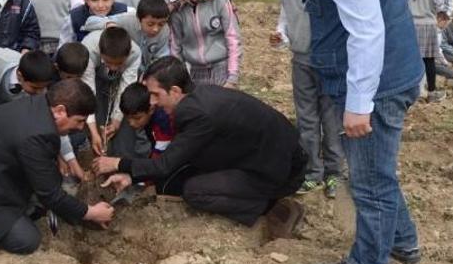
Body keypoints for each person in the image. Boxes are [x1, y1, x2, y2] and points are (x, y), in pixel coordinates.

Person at [266, 0, 425, 264]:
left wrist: (358, 104)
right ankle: (403, 243)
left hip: (378, 88)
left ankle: (368, 261)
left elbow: (366, 31)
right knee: (379, 172)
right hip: (399, 72)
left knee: (369, 185)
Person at [94, 57, 306, 236]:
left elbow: (165, 165)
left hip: (280, 173)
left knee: (195, 191)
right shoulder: (202, 97)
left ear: (175, 91)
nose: (153, 102)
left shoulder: (194, 113)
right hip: (277, 157)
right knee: (194, 169)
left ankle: (273, 207)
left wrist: (118, 163)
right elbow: (179, 157)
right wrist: (133, 176)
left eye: (156, 95)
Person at [0, 79, 115, 254]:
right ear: (60, 110)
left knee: (46, 184)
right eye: (80, 121)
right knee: (27, 239)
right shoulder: (37, 136)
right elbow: (50, 196)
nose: (81, 127)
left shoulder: (40, 105)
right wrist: (91, 213)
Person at [270, 0, 343, 198]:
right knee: (306, 119)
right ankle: (313, 173)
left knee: (331, 119)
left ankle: (335, 173)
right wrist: (280, 36)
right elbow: (285, 22)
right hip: (301, 62)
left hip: (329, 63)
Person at [169, 0, 242, 87]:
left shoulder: (219, 1)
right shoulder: (177, 11)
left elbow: (233, 39)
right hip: (196, 74)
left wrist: (232, 77)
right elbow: (175, 49)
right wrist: (182, 80)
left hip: (222, 70)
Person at [82, 27, 141, 157]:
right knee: (96, 116)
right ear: (100, 52)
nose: (114, 67)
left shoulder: (135, 53)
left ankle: (120, 158)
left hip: (120, 81)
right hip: (95, 77)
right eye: (109, 62)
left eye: (119, 63)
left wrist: (116, 122)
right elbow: (88, 91)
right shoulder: (88, 48)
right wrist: (94, 133)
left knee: (124, 119)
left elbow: (125, 90)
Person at [82, 0, 171, 75]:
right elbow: (90, 22)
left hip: (146, 73)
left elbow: (161, 58)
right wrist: (109, 25)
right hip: (120, 70)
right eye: (150, 24)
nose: (156, 29)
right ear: (138, 18)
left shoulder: (165, 30)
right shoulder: (127, 20)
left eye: (160, 24)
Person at [405, 0, 446, 102]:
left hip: (409, 23)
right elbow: (440, 0)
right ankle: (432, 93)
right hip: (427, 22)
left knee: (410, 59)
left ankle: (410, 92)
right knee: (429, 60)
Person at [59, 0, 129, 45]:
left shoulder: (125, 12)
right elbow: (64, 46)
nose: (100, 5)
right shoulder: (74, 18)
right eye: (94, 0)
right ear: (87, 0)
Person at [434, 12, 453, 79]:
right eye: (445, 23)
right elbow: (438, 52)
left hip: (435, 59)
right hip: (429, 62)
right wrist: (446, 63)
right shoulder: (434, 32)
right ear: (439, 20)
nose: (446, 26)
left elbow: (440, 49)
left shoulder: (439, 31)